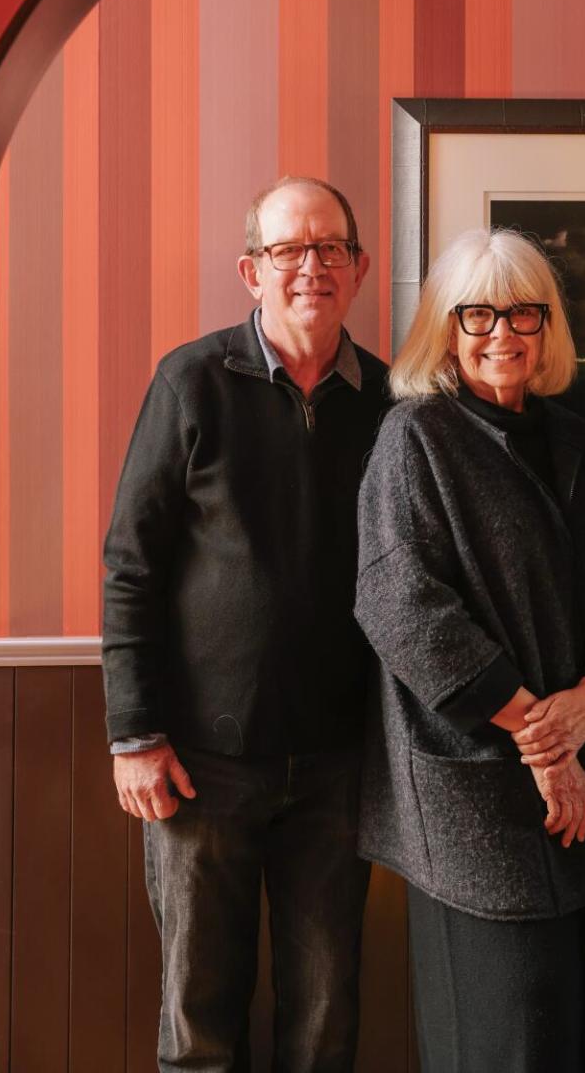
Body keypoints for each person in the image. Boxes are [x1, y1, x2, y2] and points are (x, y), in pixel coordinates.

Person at [354, 226, 585, 1073]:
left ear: (548, 326)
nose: (503, 334)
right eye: (477, 314)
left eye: (524, 312)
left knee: (572, 1033)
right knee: (504, 1041)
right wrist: (543, 741)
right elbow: (401, 608)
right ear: (445, 330)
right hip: (476, 795)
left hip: (581, 788)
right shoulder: (414, 440)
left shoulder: (578, 441)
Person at [102, 175, 388, 1073]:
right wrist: (133, 733)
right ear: (251, 270)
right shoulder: (191, 382)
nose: (311, 268)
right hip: (200, 764)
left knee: (325, 1019)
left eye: (330, 249)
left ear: (360, 266)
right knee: (200, 1021)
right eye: (287, 251)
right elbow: (130, 566)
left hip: (338, 766)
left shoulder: (391, 400)